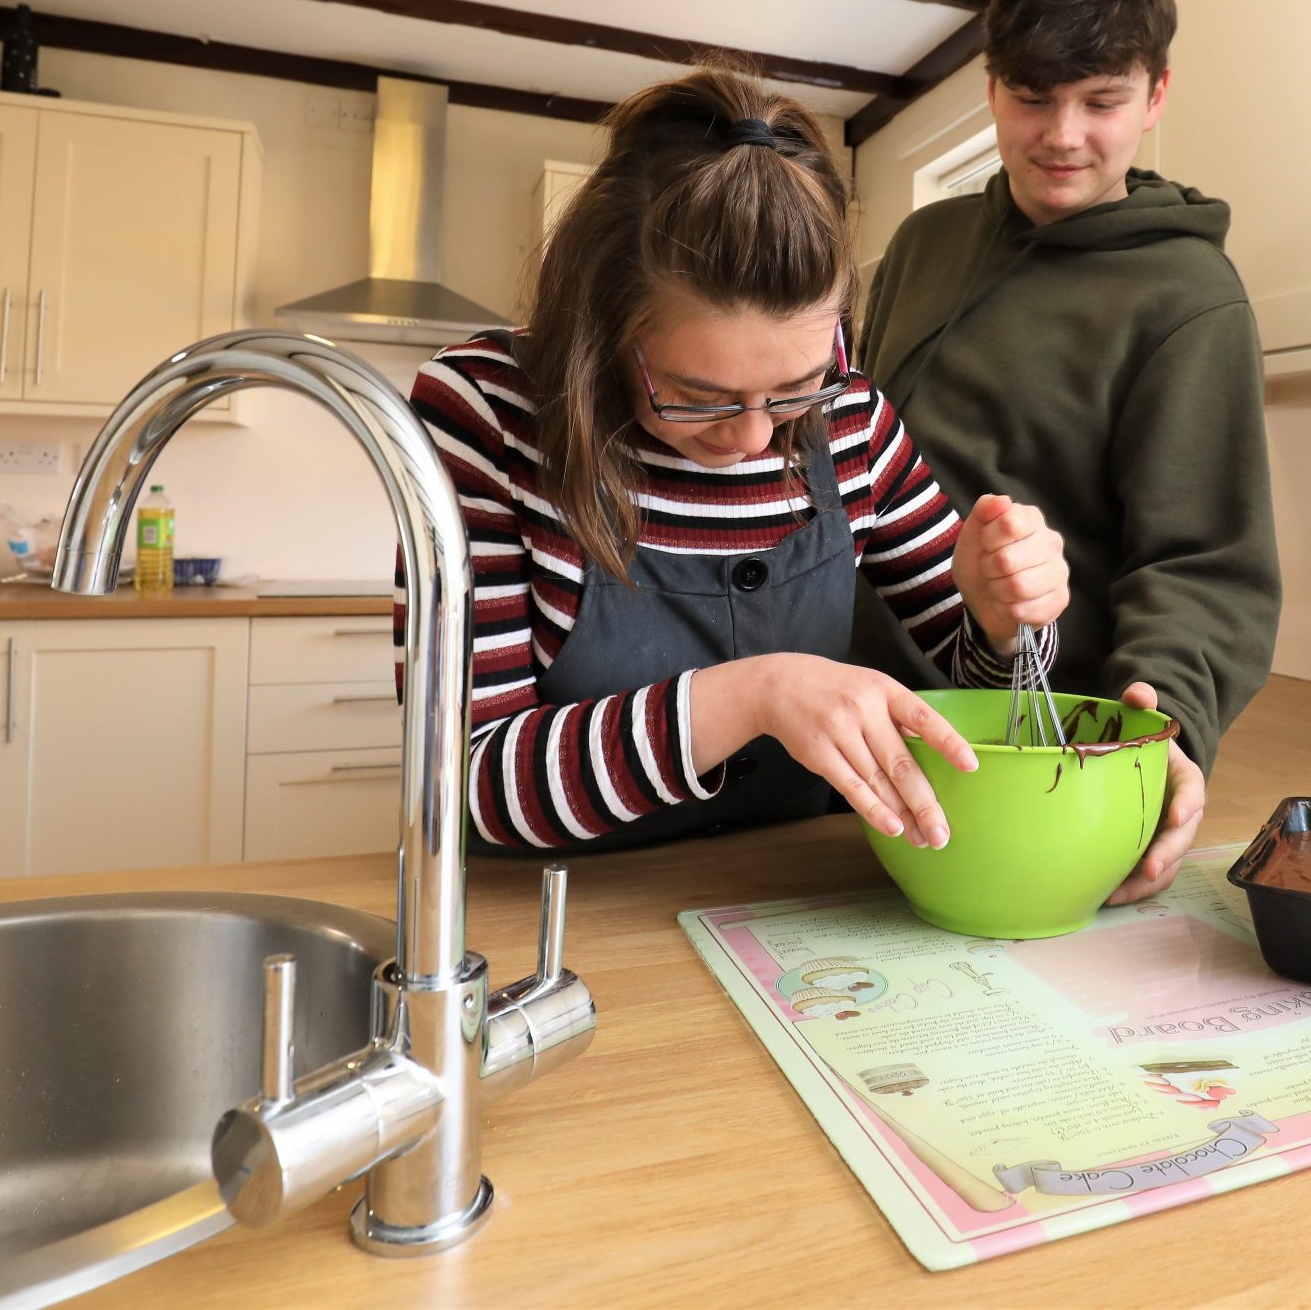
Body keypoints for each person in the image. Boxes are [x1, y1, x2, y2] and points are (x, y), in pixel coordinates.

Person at [402, 65, 1069, 853]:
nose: (755, 437)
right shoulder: (485, 412)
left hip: (783, 901)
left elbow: (982, 688)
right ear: (604, 320)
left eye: (796, 387)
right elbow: (468, 782)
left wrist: (1005, 621)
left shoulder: (851, 417)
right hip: (555, 916)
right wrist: (753, 694)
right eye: (699, 394)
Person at [853, 0, 1281, 903]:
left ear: (1156, 96)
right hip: (859, 726)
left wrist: (1163, 720)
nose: (1062, 135)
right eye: (1032, 97)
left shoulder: (1190, 296)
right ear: (991, 86)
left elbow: (1204, 563)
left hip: (1025, 768)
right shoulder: (924, 242)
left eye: (1102, 102)